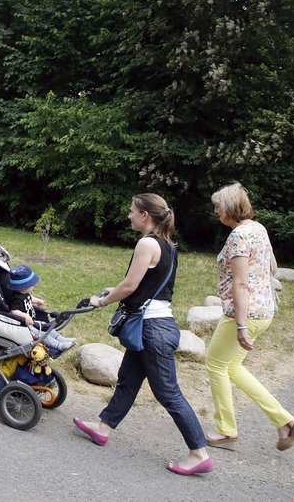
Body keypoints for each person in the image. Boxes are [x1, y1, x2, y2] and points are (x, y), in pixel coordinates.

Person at [72, 194, 211, 476]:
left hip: (152, 329)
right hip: (156, 324)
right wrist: (114, 289)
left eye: (132, 211)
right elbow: (146, 286)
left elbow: (131, 286)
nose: (129, 215)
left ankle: (199, 452)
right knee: (128, 380)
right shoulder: (168, 245)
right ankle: (103, 427)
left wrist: (102, 301)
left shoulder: (147, 243)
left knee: (168, 393)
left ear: (145, 215)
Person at [205, 182, 294, 452]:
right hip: (264, 311)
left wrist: (239, 324)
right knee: (233, 367)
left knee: (215, 364)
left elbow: (240, 283)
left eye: (218, 205)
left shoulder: (239, 236)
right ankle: (286, 423)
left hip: (244, 313)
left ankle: (226, 431)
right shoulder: (258, 228)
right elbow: (272, 266)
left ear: (228, 207)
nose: (215, 210)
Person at [5, 264, 74, 352]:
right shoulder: (17, 298)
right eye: (32, 285)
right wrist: (25, 316)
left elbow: (29, 298)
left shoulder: (24, 293)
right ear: (25, 287)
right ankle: (58, 345)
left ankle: (61, 339)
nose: (33, 286)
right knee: (42, 334)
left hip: (33, 321)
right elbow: (14, 311)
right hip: (26, 325)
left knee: (48, 329)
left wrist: (37, 300)